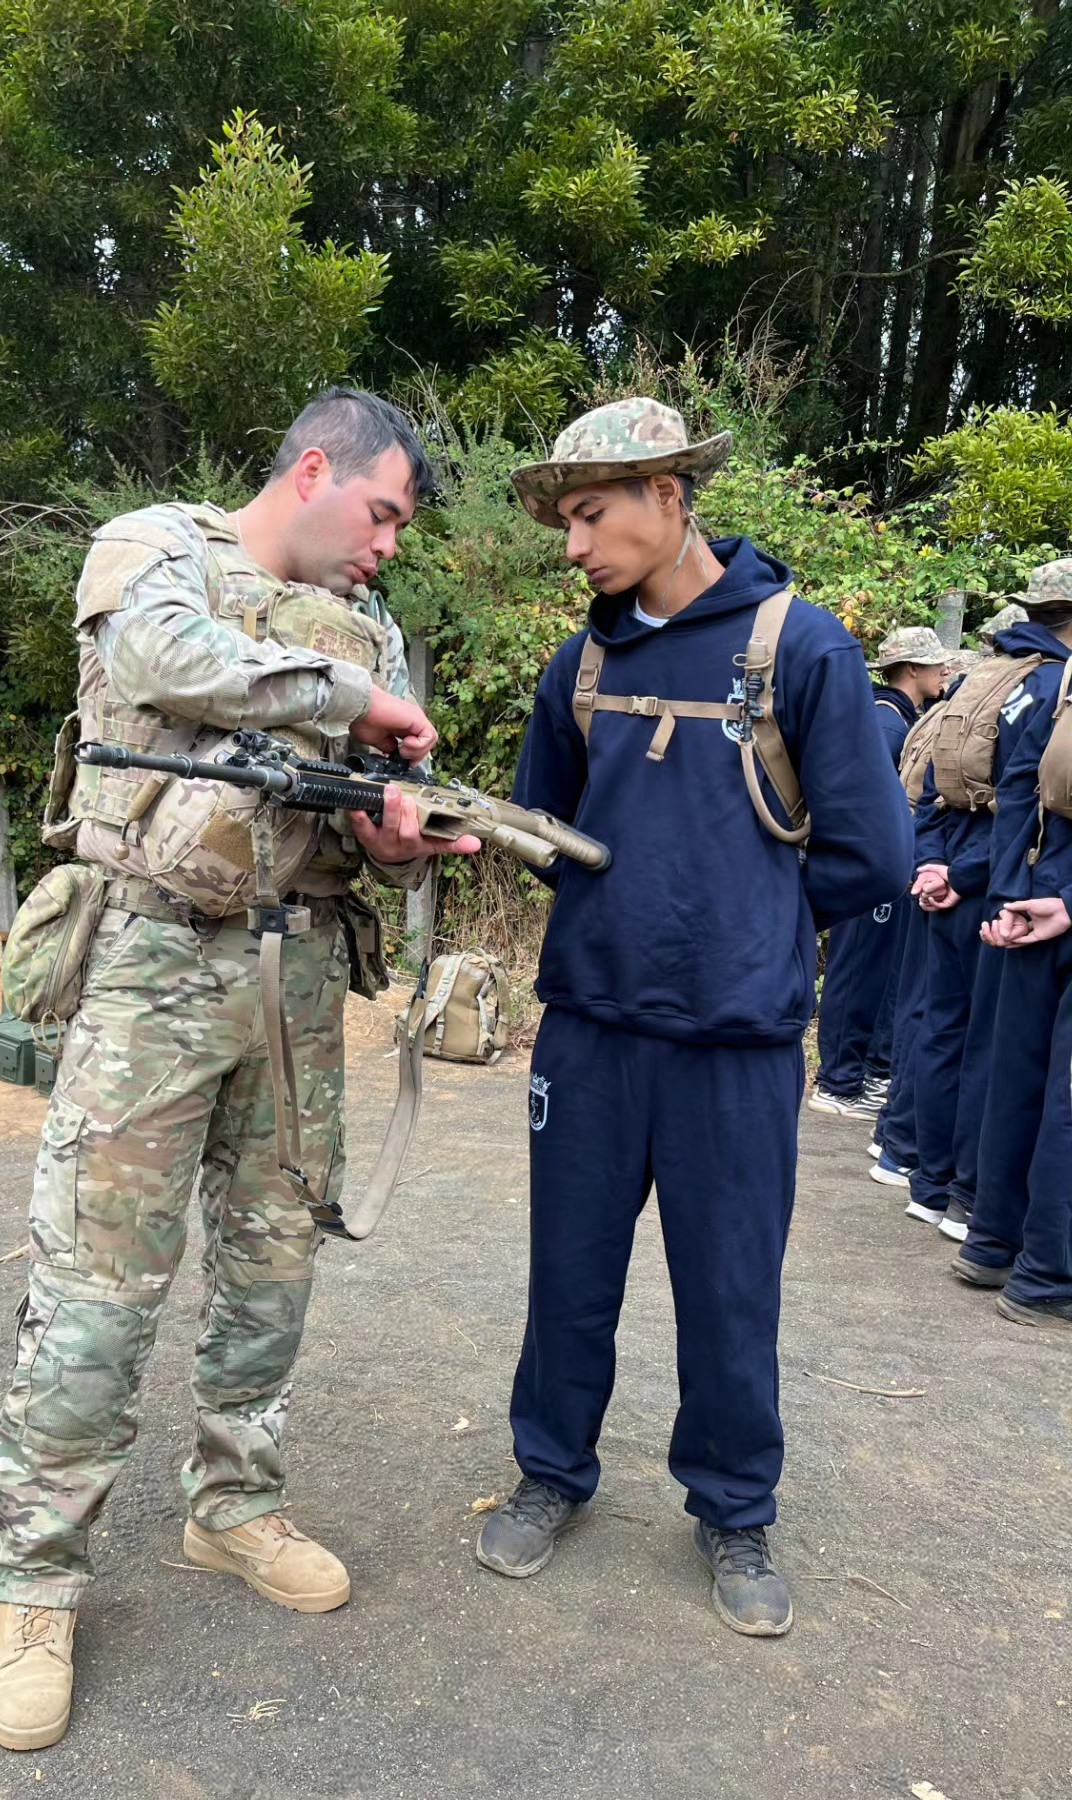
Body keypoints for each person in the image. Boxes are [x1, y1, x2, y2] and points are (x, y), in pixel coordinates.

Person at [0, 389, 476, 1752]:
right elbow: (167, 661)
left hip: (296, 973)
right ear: (314, 470)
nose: (387, 547)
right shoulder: (153, 548)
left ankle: (234, 1507)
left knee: (273, 1264)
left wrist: (397, 839)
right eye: (381, 513)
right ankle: (36, 1581)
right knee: (97, 1289)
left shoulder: (370, 628)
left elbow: (368, 818)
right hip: (149, 960)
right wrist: (356, 700)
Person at [474, 398, 912, 1637]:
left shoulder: (799, 648)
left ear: (670, 496)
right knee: (568, 1272)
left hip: (738, 1044)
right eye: (566, 522)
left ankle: (734, 1508)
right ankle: (551, 1472)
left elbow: (875, 855)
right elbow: (545, 834)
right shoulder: (582, 666)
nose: (574, 545)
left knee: (729, 1288)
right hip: (590, 1032)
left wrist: (750, 926)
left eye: (591, 515)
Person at [900, 595, 1072, 1236]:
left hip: (955, 874)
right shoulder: (1051, 686)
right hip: (1009, 891)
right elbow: (1018, 800)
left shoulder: (980, 680)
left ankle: (927, 1181)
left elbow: (933, 785)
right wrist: (979, 882)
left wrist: (931, 864)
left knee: (939, 1027)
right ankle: (970, 1197)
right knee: (992, 1049)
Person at [952, 558, 1072, 1315]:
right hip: (1059, 902)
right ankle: (1050, 1275)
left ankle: (992, 1241)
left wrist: (1008, 897)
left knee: (1016, 1071)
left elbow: (1017, 789)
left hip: (1030, 891)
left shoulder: (1042, 685)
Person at [810, 627, 947, 1122]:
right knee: (858, 967)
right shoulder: (888, 725)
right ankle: (839, 1081)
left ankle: (858, 1074)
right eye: (935, 664)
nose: (944, 671)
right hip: (868, 869)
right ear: (911, 668)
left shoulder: (894, 717)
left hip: (872, 866)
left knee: (874, 969)